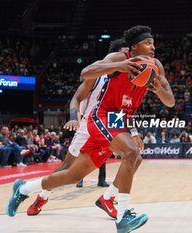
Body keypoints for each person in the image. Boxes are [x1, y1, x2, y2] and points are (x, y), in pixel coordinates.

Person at [6, 25, 174, 233]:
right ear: (134, 47)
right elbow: (84, 73)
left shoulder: (155, 66)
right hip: (99, 115)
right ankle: (122, 216)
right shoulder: (115, 61)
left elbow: (170, 101)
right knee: (130, 152)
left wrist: (158, 91)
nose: (153, 47)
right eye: (148, 43)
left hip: (118, 118)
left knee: (74, 175)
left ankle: (23, 188)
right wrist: (121, 65)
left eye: (153, 43)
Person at [26, 38, 130, 216]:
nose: (127, 58)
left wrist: (132, 132)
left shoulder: (128, 79)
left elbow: (126, 108)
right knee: (67, 167)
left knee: (132, 157)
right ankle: (42, 196)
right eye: (124, 55)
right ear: (113, 56)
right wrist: (74, 117)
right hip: (90, 123)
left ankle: (109, 198)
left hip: (112, 123)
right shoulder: (98, 76)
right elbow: (76, 98)